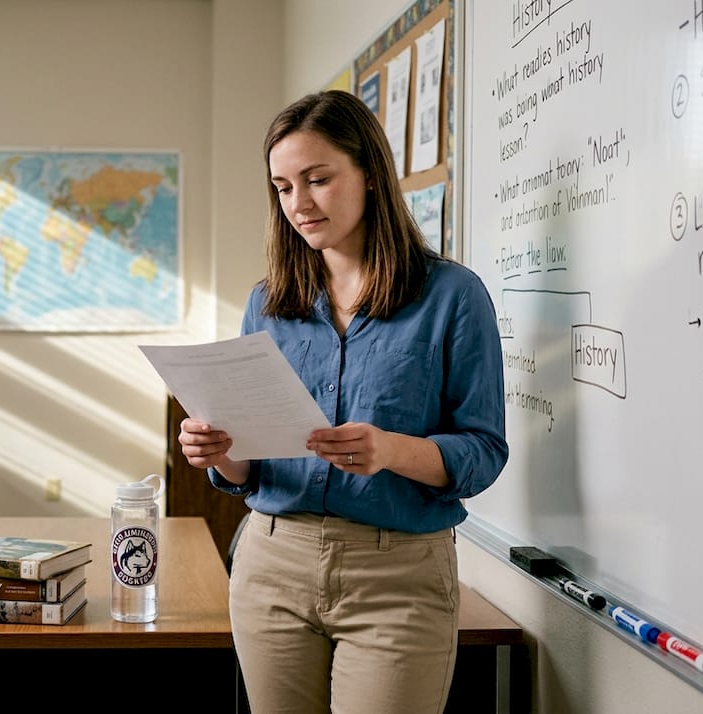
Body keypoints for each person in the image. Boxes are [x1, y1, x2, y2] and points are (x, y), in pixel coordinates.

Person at [178, 89, 508, 713]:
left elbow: (483, 452)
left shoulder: (452, 297)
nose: (299, 204)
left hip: (398, 577)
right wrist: (220, 452)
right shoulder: (269, 303)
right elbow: (251, 467)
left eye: (318, 179)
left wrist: (391, 451)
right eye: (282, 187)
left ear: (370, 176)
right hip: (272, 562)